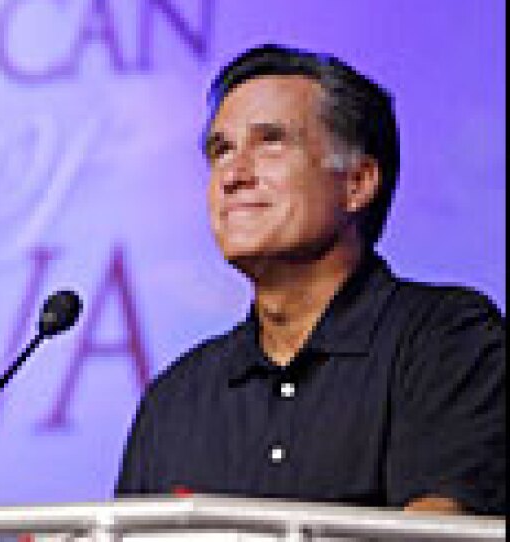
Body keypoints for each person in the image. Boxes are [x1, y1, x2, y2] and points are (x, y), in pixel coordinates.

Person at [114, 44, 505, 515]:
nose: (234, 175)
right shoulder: (175, 398)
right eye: (221, 150)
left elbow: (441, 524)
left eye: (271, 142)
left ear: (357, 183)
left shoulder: (446, 340)